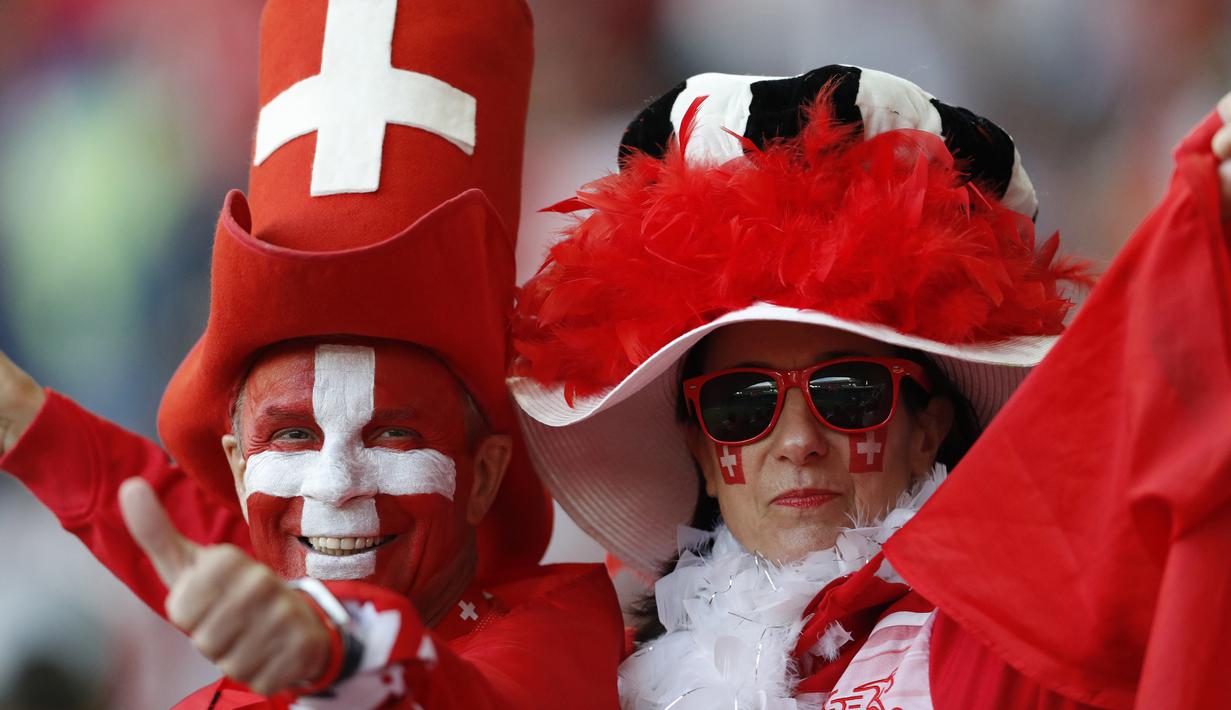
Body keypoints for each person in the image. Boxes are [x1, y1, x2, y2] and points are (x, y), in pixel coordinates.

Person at [509, 66, 1231, 708]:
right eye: (742, 404)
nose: (796, 442)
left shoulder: (1019, 645)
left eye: (848, 392)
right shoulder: (612, 681)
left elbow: (1147, 444)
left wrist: (1201, 227)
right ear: (700, 452)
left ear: (927, 430)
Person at [0, 1, 623, 707]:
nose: (334, 485)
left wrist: (332, 649)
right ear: (240, 471)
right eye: (293, 435)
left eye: (393, 433)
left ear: (483, 476)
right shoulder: (266, 622)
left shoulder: (558, 634)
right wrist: (25, 422)